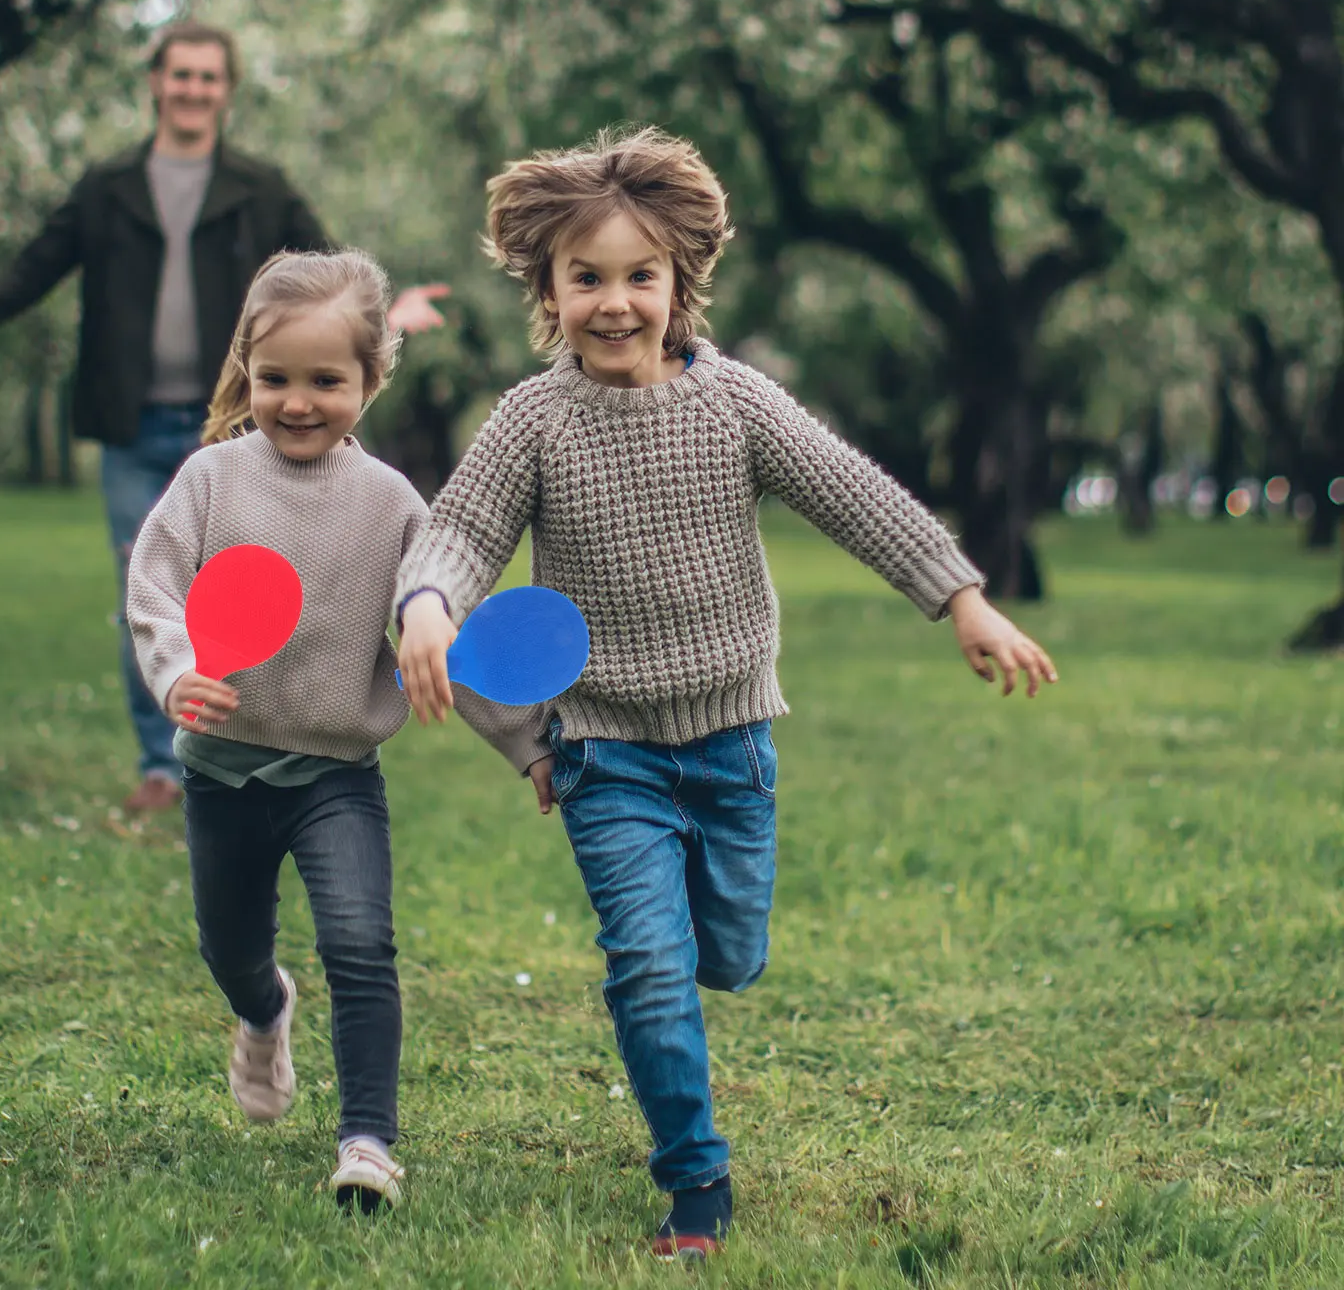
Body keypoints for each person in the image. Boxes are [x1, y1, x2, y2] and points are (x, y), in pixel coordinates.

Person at [394, 127, 1058, 1260]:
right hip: (604, 747)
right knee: (648, 964)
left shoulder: (735, 403)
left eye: (639, 276)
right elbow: (459, 529)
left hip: (732, 739)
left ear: (679, 281)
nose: (614, 302)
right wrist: (425, 600)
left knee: (729, 954)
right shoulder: (531, 420)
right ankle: (695, 1179)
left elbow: (854, 495)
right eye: (587, 277)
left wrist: (961, 599)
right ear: (549, 291)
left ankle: (701, 960)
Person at [0, 21, 448, 812]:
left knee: (244, 589)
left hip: (239, 422)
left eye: (208, 77)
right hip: (133, 423)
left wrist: (389, 318)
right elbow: (37, 265)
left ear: (227, 91)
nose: (193, 89)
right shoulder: (107, 185)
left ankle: (253, 748)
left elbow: (331, 276)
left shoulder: (259, 186)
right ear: (156, 82)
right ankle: (165, 764)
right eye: (180, 74)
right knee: (146, 583)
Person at [125, 248, 546, 1211]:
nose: (299, 402)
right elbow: (154, 587)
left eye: (327, 381)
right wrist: (177, 671)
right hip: (221, 770)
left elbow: (440, 642)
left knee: (360, 943)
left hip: (335, 774)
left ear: (371, 379)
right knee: (231, 952)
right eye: (275, 378)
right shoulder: (210, 481)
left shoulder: (391, 504)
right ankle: (265, 1010)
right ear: (247, 370)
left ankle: (368, 1142)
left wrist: (526, 744)